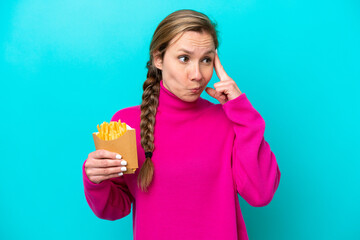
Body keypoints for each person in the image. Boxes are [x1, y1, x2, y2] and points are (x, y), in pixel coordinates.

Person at [83, 9, 281, 240]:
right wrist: (95, 180)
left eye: (206, 60)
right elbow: (114, 208)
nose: (197, 74)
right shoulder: (126, 124)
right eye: (184, 58)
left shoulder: (229, 120)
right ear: (158, 59)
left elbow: (261, 194)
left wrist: (242, 112)